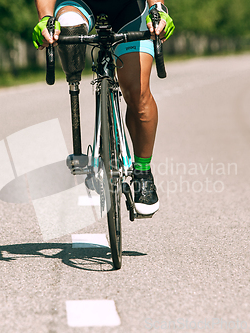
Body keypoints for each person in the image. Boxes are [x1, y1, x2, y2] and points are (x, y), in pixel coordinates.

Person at [32, 0, 174, 216]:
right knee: (68, 28)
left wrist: (158, 9)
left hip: (130, 10)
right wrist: (45, 17)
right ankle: (74, 85)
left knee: (138, 94)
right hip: (79, 4)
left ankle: (143, 173)